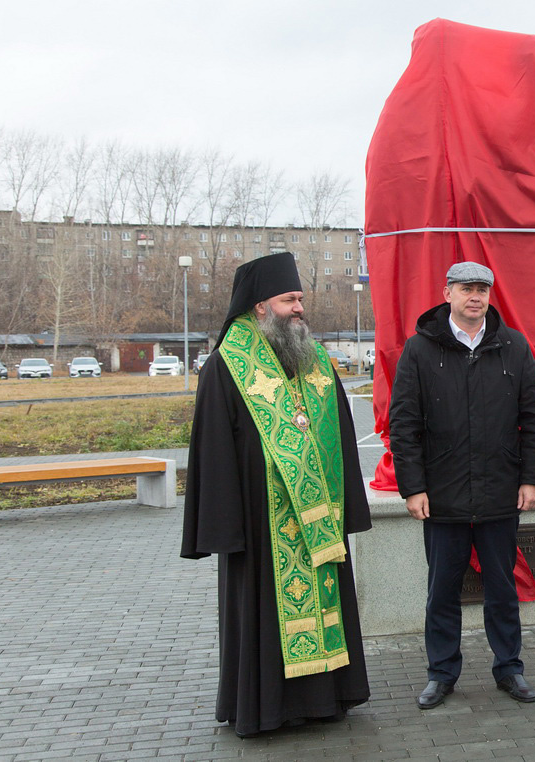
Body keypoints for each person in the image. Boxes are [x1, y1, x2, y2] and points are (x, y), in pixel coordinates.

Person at [181, 252, 371, 737]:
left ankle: (325, 699)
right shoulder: (228, 367)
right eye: (289, 300)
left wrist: (345, 507)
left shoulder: (313, 362)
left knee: (325, 606)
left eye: (300, 299)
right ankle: (267, 707)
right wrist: (227, 527)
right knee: (264, 618)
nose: (299, 308)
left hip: (319, 522)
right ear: (260, 307)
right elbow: (214, 450)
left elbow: (341, 440)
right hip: (261, 522)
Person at [389, 262, 535, 709]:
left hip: (500, 491)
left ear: (490, 296)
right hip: (442, 495)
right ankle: (441, 673)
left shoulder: (513, 347)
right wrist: (412, 487)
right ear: (448, 293)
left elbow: (534, 419)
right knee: (442, 589)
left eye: (482, 289)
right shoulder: (420, 350)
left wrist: (532, 479)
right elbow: (403, 425)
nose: (474, 296)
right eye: (466, 289)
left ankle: (510, 669)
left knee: (502, 587)